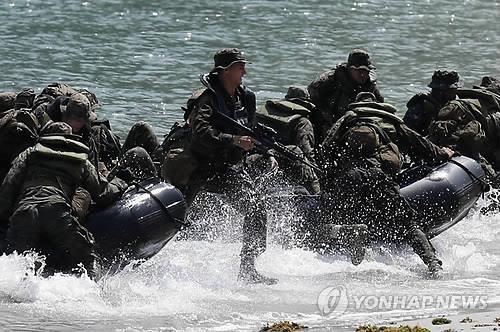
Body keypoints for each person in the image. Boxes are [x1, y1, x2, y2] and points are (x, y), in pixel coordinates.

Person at [166, 48, 277, 284]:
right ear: (224, 71)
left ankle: (248, 268)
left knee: (255, 209)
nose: (244, 71)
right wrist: (233, 140)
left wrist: (260, 146)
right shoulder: (206, 99)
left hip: (227, 169)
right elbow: (201, 133)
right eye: (239, 67)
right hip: (198, 165)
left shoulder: (245, 98)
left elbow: (248, 129)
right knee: (172, 217)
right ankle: (145, 261)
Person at [318, 93, 454, 276]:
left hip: (349, 178)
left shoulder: (346, 122)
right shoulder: (390, 122)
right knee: (409, 225)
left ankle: (346, 231)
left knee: (324, 221)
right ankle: (433, 266)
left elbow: (324, 153)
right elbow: (422, 145)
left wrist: (327, 186)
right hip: (379, 178)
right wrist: (444, 154)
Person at [0, 121, 127, 278]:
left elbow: (8, 186)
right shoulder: (80, 160)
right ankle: (95, 294)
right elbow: (103, 193)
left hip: (24, 213)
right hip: (57, 214)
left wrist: (5, 217)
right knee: (88, 258)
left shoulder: (30, 153)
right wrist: (121, 182)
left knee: (13, 265)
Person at [308, 49, 384, 143]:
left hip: (356, 123)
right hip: (327, 120)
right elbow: (310, 99)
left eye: (366, 71)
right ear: (350, 69)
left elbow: (381, 106)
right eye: (359, 70)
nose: (363, 74)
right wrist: (326, 117)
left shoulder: (370, 85)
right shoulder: (330, 80)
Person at [255, 86, 320, 194]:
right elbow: (307, 152)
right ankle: (317, 198)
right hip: (281, 163)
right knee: (302, 159)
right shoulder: (302, 122)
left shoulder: (263, 112)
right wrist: (318, 175)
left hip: (257, 158)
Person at [403, 70, 461, 136]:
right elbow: (407, 131)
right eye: (451, 90)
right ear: (441, 91)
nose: (454, 92)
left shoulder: (457, 103)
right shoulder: (421, 105)